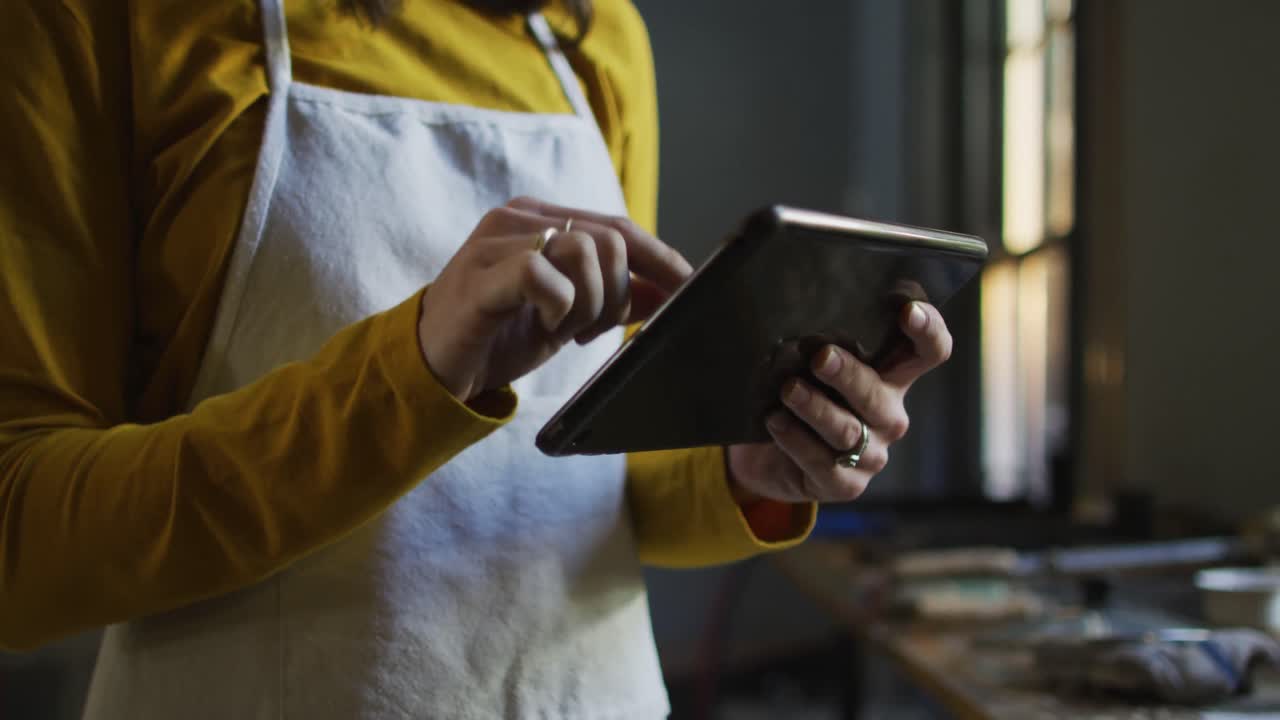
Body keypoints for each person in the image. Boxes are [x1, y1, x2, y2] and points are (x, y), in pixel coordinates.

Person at [0, 0, 954, 717]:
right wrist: (410, 374)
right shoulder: (100, 20)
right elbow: (19, 538)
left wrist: (748, 465)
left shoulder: (595, 36)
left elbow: (598, 495)